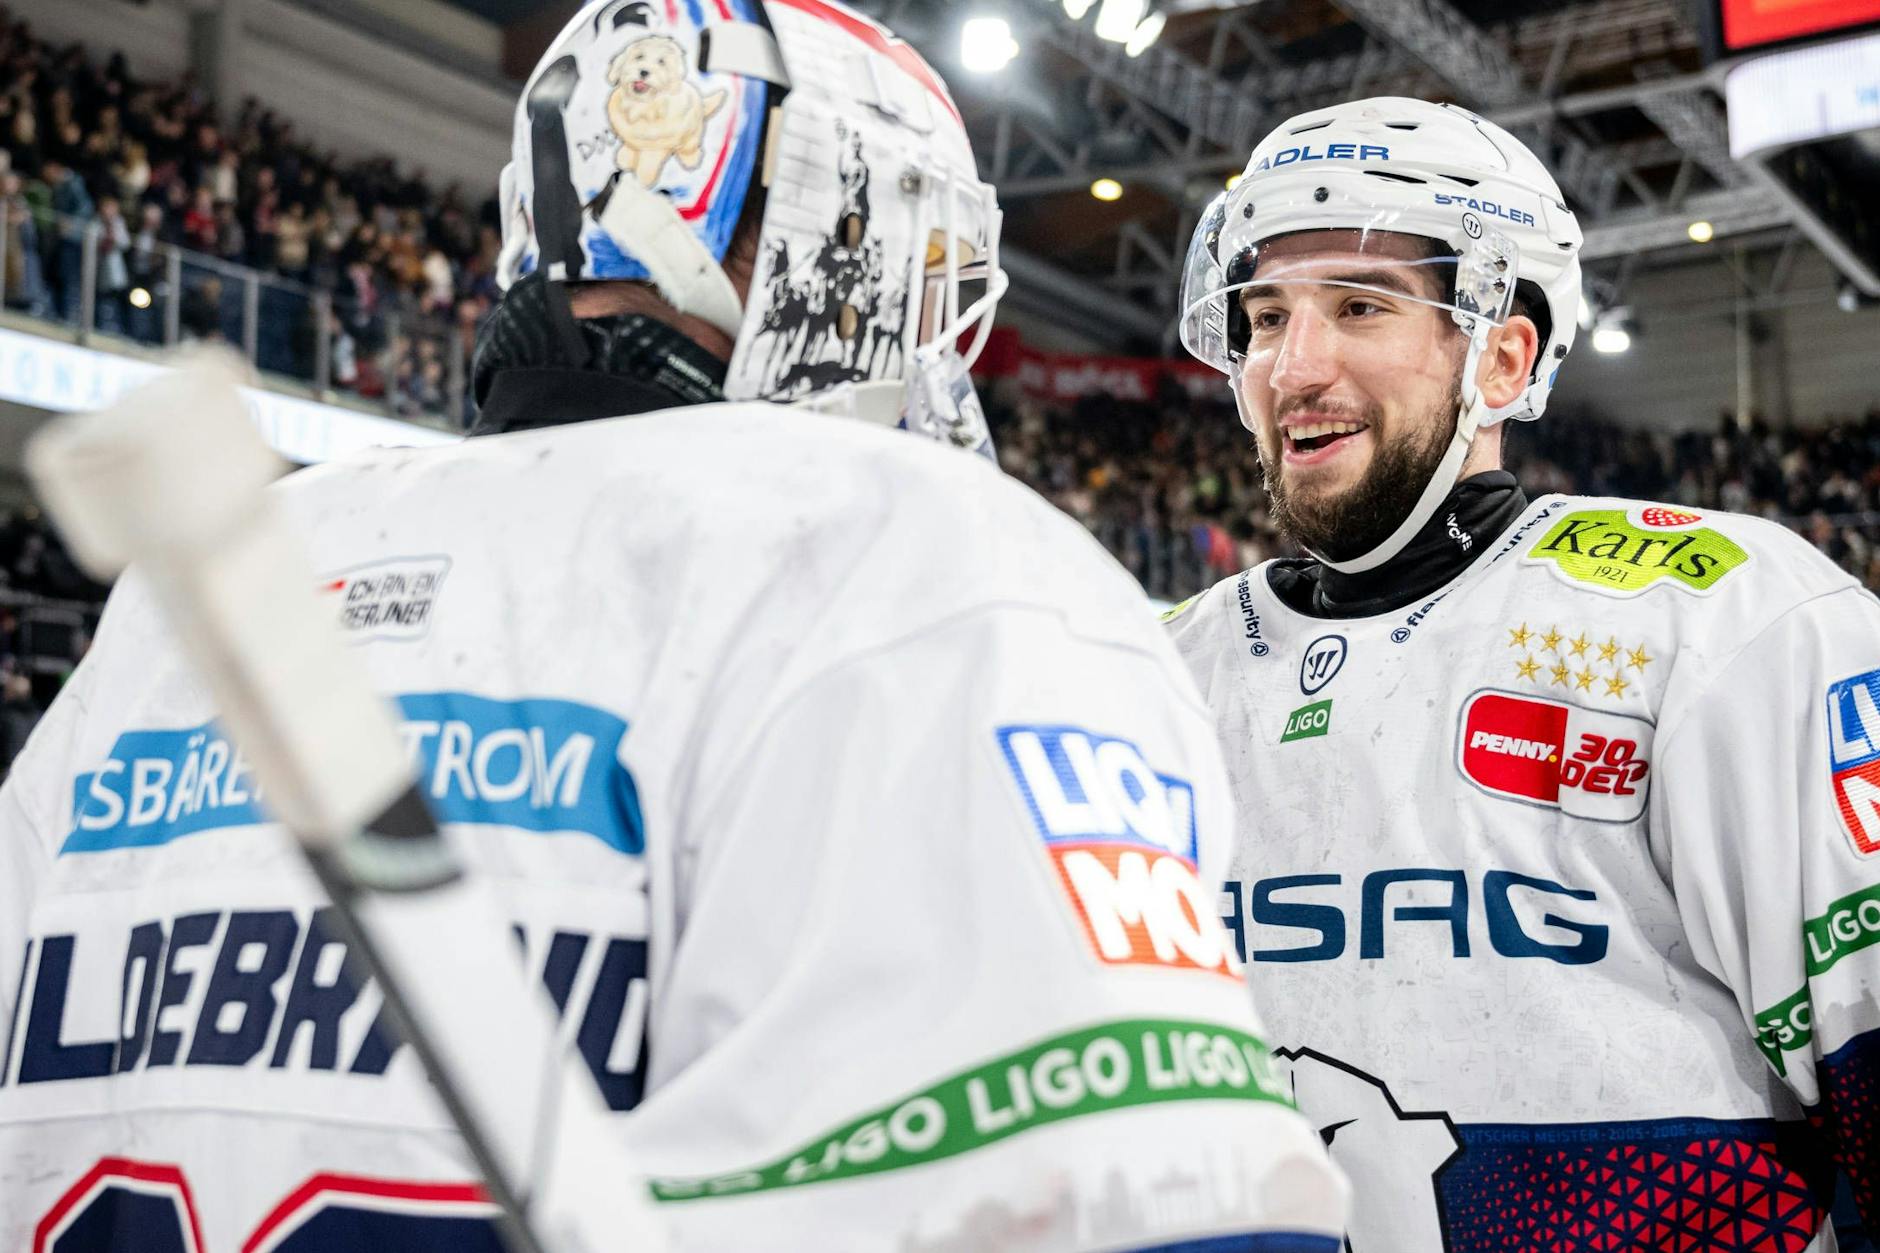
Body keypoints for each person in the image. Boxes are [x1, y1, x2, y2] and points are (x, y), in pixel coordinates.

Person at [0, 2, 1345, 1249]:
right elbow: (1176, 1208)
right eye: (925, 267)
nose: (938, 330)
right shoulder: (921, 559)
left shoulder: (194, 607)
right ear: (820, 209)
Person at [1163, 95, 1880, 1250]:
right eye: (1261, 315)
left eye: (1357, 305)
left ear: (1502, 351)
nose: (1290, 365)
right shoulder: (1160, 668)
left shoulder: (1713, 617)